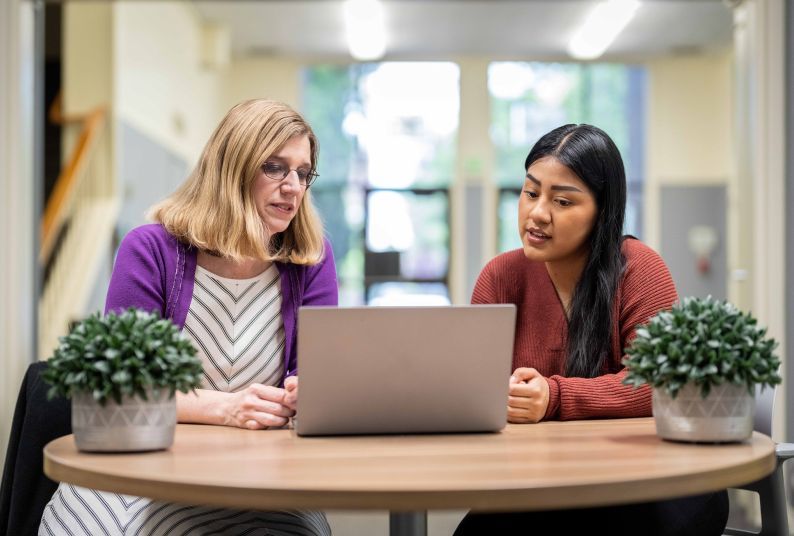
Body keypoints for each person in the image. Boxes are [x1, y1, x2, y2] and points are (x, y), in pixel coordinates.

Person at [40, 99, 337, 536]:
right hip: (142, 465)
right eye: (274, 167)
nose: (293, 186)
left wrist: (306, 392)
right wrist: (228, 408)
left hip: (264, 476)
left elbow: (319, 380)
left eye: (302, 172)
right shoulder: (151, 250)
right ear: (232, 167)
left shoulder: (310, 260)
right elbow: (126, 388)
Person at [454, 124, 728, 536]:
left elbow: (661, 383)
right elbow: (474, 390)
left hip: (653, 482)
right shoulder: (501, 277)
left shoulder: (639, 268)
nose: (538, 213)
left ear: (604, 211)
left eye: (562, 201)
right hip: (544, 480)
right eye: (531, 193)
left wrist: (554, 396)